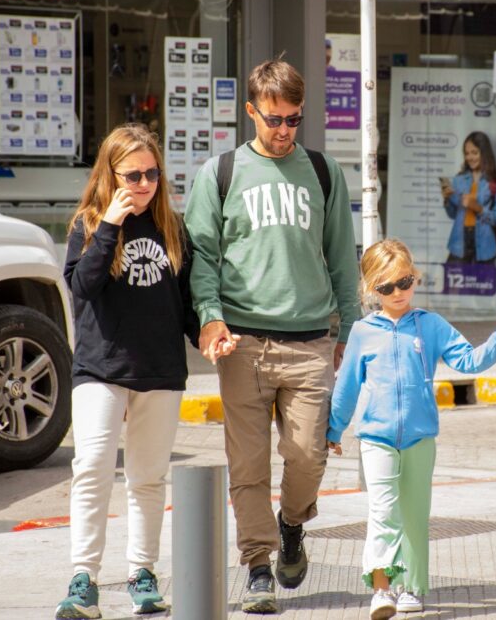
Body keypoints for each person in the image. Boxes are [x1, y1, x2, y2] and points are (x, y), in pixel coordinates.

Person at [184, 58, 360, 614]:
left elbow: (341, 260)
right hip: (242, 344)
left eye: (293, 120)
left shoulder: (324, 172)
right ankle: (258, 564)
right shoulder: (220, 174)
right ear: (251, 111)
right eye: (274, 119)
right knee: (248, 465)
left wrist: (349, 332)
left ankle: (291, 525)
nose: (283, 130)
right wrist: (210, 317)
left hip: (309, 341)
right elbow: (202, 259)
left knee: (308, 455)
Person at [327, 239, 496, 620]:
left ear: (415, 278)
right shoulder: (363, 332)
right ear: (370, 290)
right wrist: (333, 429)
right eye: (386, 287)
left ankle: (412, 586)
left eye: (405, 282)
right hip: (375, 439)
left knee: (414, 515)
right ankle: (382, 589)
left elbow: (469, 360)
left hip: (420, 438)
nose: (398, 293)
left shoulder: (431, 325)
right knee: (383, 512)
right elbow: (346, 388)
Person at [58, 124, 198, 619]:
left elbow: (185, 304)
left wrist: (210, 332)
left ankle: (143, 571)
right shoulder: (89, 224)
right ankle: (83, 577)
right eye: (132, 175)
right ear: (110, 176)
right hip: (101, 368)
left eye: (151, 174)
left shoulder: (173, 229)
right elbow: (82, 288)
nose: (143, 184)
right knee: (93, 466)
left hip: (159, 370)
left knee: (147, 478)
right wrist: (112, 225)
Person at [441, 131, 496, 264]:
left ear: (484, 153)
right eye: (467, 153)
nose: (470, 157)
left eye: (474, 153)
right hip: (459, 242)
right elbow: (453, 214)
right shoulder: (458, 180)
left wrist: (479, 208)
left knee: (482, 283)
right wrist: (447, 200)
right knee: (453, 281)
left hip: (485, 244)